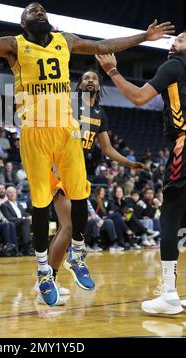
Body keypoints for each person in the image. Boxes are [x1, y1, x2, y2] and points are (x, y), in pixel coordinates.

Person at [0, 0, 174, 306]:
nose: (38, 11)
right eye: (32, 11)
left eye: (41, 9)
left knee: (80, 196)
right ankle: (43, 271)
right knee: (39, 206)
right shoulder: (14, 46)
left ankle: (77, 255)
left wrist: (145, 36)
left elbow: (104, 46)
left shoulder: (67, 42)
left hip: (66, 130)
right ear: (23, 23)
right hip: (35, 131)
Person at [96, 31, 186, 315]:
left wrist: (112, 71)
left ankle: (169, 294)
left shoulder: (175, 65)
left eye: (182, 39)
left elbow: (138, 97)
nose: (174, 43)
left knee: (170, 216)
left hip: (183, 145)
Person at [48, 70, 144, 296]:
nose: (90, 81)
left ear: (99, 86)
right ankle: (47, 279)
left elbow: (107, 148)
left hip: (79, 173)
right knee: (69, 227)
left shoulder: (101, 113)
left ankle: (47, 278)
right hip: (59, 169)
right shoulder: (69, 104)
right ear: (79, 84)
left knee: (65, 228)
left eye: (94, 78)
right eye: (86, 78)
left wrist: (129, 163)